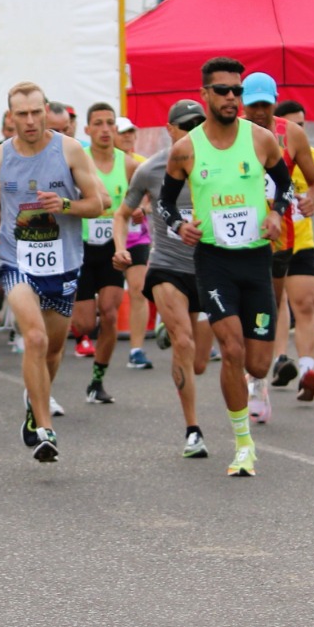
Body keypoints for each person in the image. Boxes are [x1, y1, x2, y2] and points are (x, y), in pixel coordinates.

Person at [157, 58, 294, 477]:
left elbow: (285, 186)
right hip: (213, 260)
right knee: (230, 349)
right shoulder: (186, 149)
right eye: (223, 91)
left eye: (237, 90)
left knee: (257, 363)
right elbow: (164, 202)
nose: (232, 98)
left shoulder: (261, 140)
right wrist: (180, 226)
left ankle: (255, 389)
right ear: (205, 95)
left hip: (256, 259)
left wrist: (276, 214)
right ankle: (243, 444)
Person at [0, 82, 105, 463]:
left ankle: (35, 403)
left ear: (46, 111)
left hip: (63, 261)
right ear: (10, 118)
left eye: (37, 112)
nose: (31, 121)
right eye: (22, 114)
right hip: (17, 260)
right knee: (33, 338)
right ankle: (45, 429)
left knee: (51, 349)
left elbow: (97, 204)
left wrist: (65, 204)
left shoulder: (69, 150)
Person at [114, 99, 214, 458]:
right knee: (183, 343)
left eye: (198, 125)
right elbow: (122, 213)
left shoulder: (217, 165)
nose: (192, 132)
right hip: (167, 265)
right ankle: (193, 431)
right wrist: (120, 247)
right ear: (170, 130)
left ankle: (169, 327)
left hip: (208, 268)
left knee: (200, 362)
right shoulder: (151, 170)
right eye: (185, 126)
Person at [238, 72, 314, 422]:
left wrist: (312, 202)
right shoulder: (231, 131)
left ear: (275, 101)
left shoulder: (292, 133)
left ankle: (259, 375)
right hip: (237, 234)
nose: (259, 111)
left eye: (265, 104)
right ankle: (254, 381)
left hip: (278, 236)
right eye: (253, 104)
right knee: (244, 308)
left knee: (269, 307)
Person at [71, 102, 137, 404]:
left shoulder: (129, 164)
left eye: (110, 123)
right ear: (87, 130)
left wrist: (140, 211)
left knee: (109, 314)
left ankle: (97, 381)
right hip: (81, 248)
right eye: (98, 123)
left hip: (112, 248)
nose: (105, 129)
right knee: (85, 323)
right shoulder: (78, 161)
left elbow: (143, 197)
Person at [269, 99, 314, 402]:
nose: (300, 130)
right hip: (272, 240)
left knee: (305, 303)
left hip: (303, 240)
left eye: (304, 124)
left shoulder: (312, 155)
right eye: (295, 125)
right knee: (277, 300)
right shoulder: (260, 152)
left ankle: (307, 371)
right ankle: (281, 359)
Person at [112, 115, 154, 370]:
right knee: (109, 299)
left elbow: (154, 195)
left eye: (131, 133)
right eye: (123, 132)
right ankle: (89, 337)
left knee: (138, 289)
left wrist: (144, 208)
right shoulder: (97, 163)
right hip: (105, 237)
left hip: (137, 236)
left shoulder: (143, 164)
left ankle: (136, 350)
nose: (128, 137)